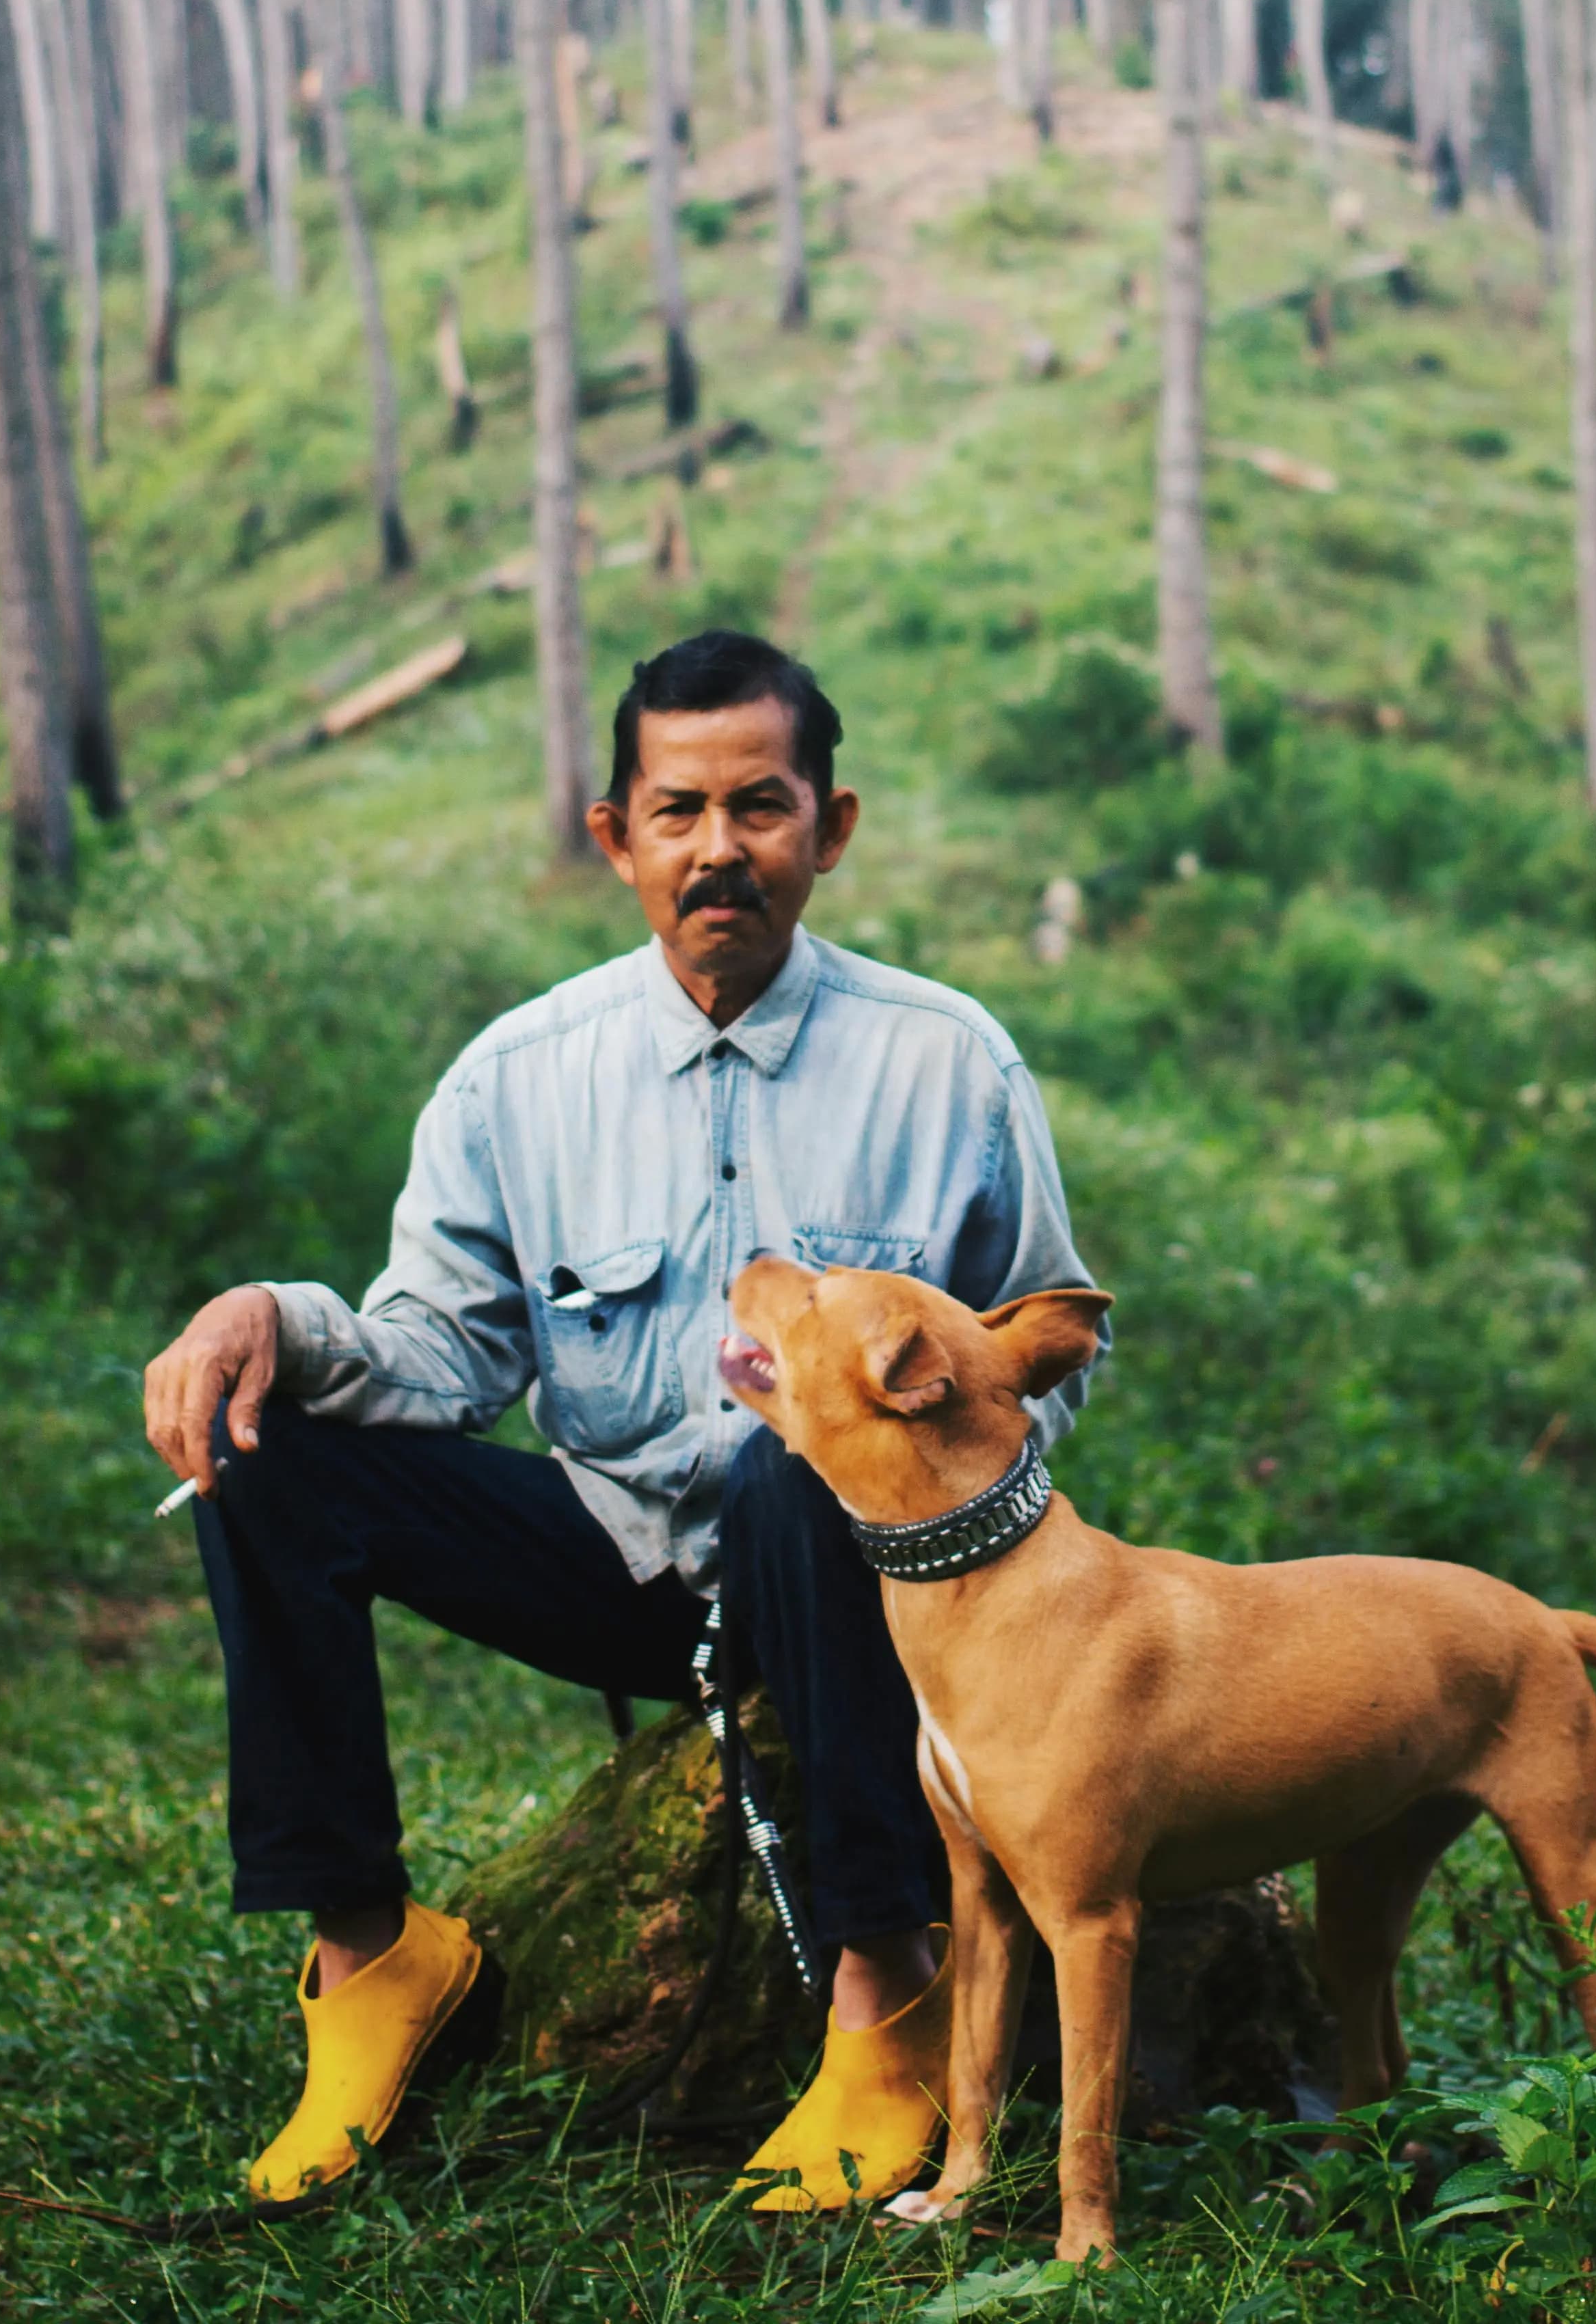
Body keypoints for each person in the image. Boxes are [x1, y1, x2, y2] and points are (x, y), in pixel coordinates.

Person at [142, 629, 1103, 2215]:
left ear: (831, 827)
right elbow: (439, 1355)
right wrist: (273, 1319)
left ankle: (889, 2001)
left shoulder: (952, 1065)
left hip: (863, 1575)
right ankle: (374, 1957)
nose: (719, 849)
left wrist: (917, 1452)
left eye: (760, 805)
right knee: (268, 1460)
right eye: (677, 811)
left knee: (800, 1469)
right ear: (617, 836)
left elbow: (1042, 1344)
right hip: (620, 1558)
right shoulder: (519, 1078)